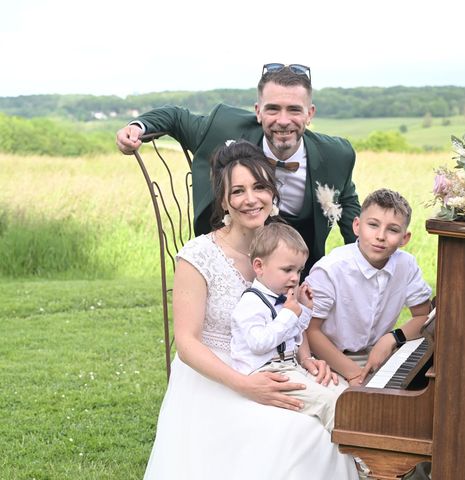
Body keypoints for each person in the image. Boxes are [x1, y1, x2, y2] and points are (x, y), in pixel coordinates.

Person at [142, 140, 358, 479]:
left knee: (342, 404)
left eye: (259, 187)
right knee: (301, 434)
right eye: (238, 191)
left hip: (275, 363)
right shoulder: (199, 255)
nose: (250, 199)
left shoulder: (283, 247)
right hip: (215, 378)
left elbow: (291, 309)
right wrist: (244, 385)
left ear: (272, 192)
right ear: (224, 200)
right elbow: (186, 344)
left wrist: (307, 359)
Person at [115, 63, 361, 276]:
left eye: (294, 110)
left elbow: (350, 212)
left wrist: (364, 265)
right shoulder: (223, 129)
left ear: (309, 114)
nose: (283, 120)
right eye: (273, 109)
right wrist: (138, 127)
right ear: (258, 112)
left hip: (298, 278)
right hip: (229, 267)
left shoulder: (336, 156)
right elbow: (176, 118)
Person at [305, 188, 433, 386]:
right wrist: (354, 374)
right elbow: (311, 331)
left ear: (404, 239)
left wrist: (391, 339)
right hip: (329, 359)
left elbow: (424, 317)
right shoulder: (331, 269)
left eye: (393, 230)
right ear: (357, 226)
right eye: (373, 225)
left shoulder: (405, 265)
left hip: (379, 354)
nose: (381, 236)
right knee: (352, 408)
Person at [230, 222, 346, 432]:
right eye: (287, 270)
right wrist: (289, 314)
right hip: (268, 373)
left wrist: (305, 309)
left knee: (342, 391)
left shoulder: (284, 298)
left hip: (291, 367)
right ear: (259, 266)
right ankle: (356, 455)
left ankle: (364, 443)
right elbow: (259, 343)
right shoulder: (250, 303)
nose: (295, 277)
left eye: (299, 270)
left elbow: (291, 335)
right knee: (328, 401)